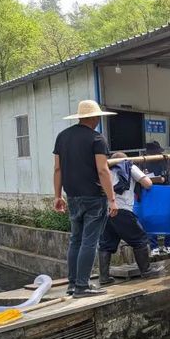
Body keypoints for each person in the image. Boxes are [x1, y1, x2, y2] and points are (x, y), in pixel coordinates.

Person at [53, 100, 118, 298]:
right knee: (89, 241)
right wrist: (112, 199)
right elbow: (102, 169)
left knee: (75, 240)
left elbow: (57, 168)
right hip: (93, 197)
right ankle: (83, 286)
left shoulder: (62, 137)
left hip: (72, 196)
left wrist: (57, 196)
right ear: (94, 117)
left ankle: (72, 284)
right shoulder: (97, 138)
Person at [98, 153, 165, 283]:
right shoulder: (129, 166)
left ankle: (104, 277)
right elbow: (148, 183)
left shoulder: (105, 169)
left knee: (106, 244)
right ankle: (146, 271)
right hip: (122, 209)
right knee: (140, 239)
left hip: (106, 211)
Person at [144, 141, 170, 256]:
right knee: (151, 219)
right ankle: (153, 246)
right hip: (150, 194)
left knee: (168, 218)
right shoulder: (143, 163)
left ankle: (168, 244)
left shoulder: (168, 162)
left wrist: (164, 179)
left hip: (166, 193)